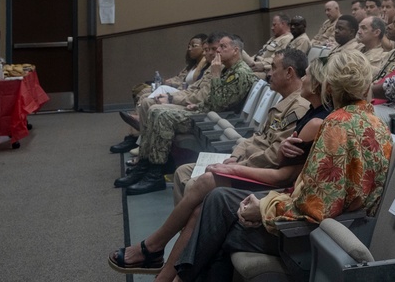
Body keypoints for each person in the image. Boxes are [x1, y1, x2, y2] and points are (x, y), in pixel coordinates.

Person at [172, 50, 393, 282]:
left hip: (315, 236)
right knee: (218, 205)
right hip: (345, 226)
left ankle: (173, 274)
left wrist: (264, 208)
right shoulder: (377, 123)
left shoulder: (336, 126)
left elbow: (314, 207)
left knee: (217, 230)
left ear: (329, 86)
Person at [107, 49, 328, 278]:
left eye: (273, 68)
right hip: (250, 162)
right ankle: (173, 252)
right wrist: (235, 155)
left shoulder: (302, 110)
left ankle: (158, 251)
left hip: (264, 175)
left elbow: (277, 162)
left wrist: (236, 163)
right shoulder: (293, 106)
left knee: (203, 187)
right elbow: (256, 137)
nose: (268, 73)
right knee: (184, 172)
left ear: (290, 72)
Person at [122, 35, 257, 195]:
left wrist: (214, 75)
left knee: (160, 114)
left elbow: (220, 103)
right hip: (205, 111)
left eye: (223, 47)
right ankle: (145, 164)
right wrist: (197, 104)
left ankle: (155, 175)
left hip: (213, 119)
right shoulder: (226, 68)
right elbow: (210, 98)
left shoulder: (240, 73)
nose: (218, 51)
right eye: (218, 47)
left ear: (236, 50)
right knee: (153, 110)